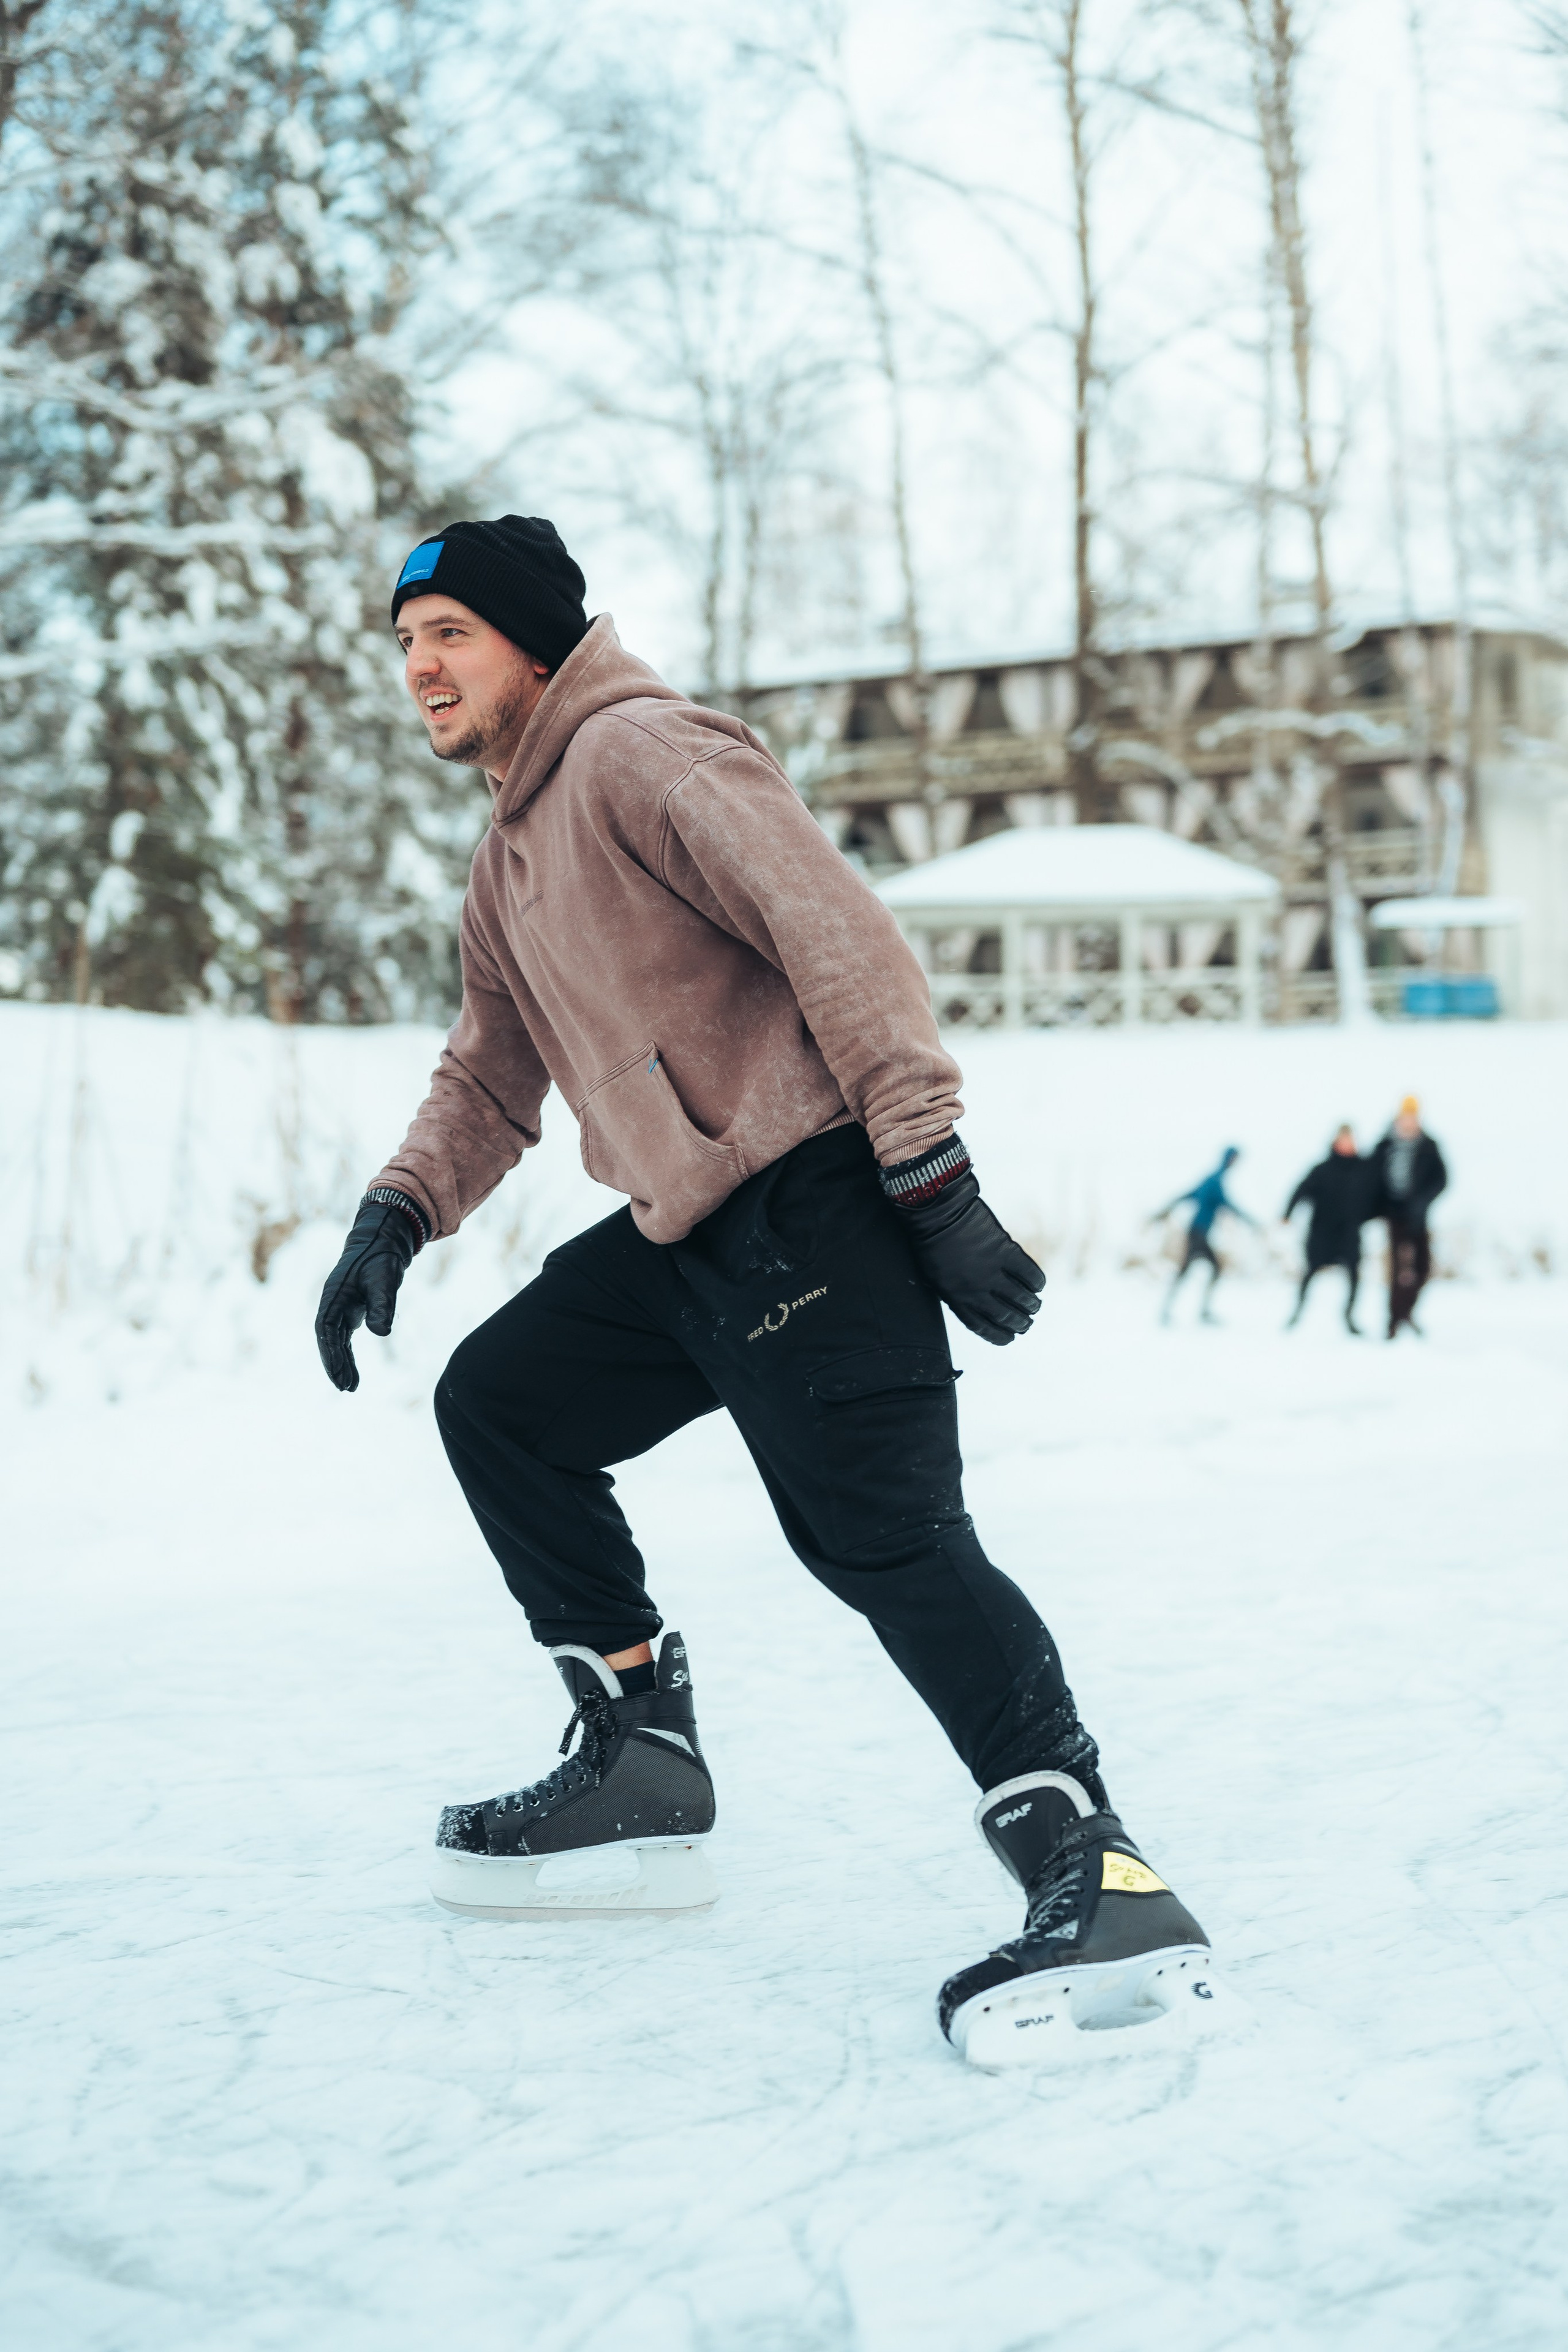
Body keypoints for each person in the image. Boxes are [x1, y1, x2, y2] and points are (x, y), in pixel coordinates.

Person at [312, 514, 1212, 2063]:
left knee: (885, 1542)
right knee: (502, 1404)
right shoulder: (507, 852)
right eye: (403, 644)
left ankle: (1096, 1862)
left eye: (447, 632)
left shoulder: (645, 752)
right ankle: (638, 1745)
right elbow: (489, 1068)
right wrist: (397, 1211)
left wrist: (927, 1173)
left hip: (814, 1201)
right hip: (686, 1233)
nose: (419, 669)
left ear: (531, 640)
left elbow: (835, 931)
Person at [1282, 1125, 1377, 1333]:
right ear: (1335, 1142)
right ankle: (1297, 1312)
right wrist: (1287, 1213)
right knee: (1310, 1272)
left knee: (1353, 1274)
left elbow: (1378, 1197)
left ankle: (1349, 1317)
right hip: (1322, 1232)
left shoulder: (1364, 1169)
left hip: (1349, 1233)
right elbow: (1301, 1190)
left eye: (1350, 1140)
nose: (1347, 1144)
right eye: (1343, 1140)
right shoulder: (1322, 1169)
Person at [1371, 1096, 1447, 1340]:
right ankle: (1393, 1322)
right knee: (1399, 1270)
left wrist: (1423, 1201)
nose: (1409, 1122)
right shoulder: (1385, 1145)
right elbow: (1370, 1179)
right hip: (1395, 1216)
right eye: (1406, 1118)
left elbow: (1442, 1179)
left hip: (1419, 1216)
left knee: (1423, 1267)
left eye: (1413, 1118)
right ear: (1399, 1118)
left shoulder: (1429, 1146)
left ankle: (1406, 1313)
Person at [1156, 1147, 1259, 1325]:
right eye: (1235, 1159)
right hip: (1199, 1233)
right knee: (1210, 1269)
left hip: (1196, 1232)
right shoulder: (1216, 1181)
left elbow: (1188, 1195)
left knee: (1191, 1271)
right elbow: (1228, 1204)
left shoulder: (1210, 1178)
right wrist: (1251, 1221)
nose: (1236, 1163)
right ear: (1229, 1159)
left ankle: (1172, 1311)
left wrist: (1165, 1209)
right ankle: (1199, 1312)